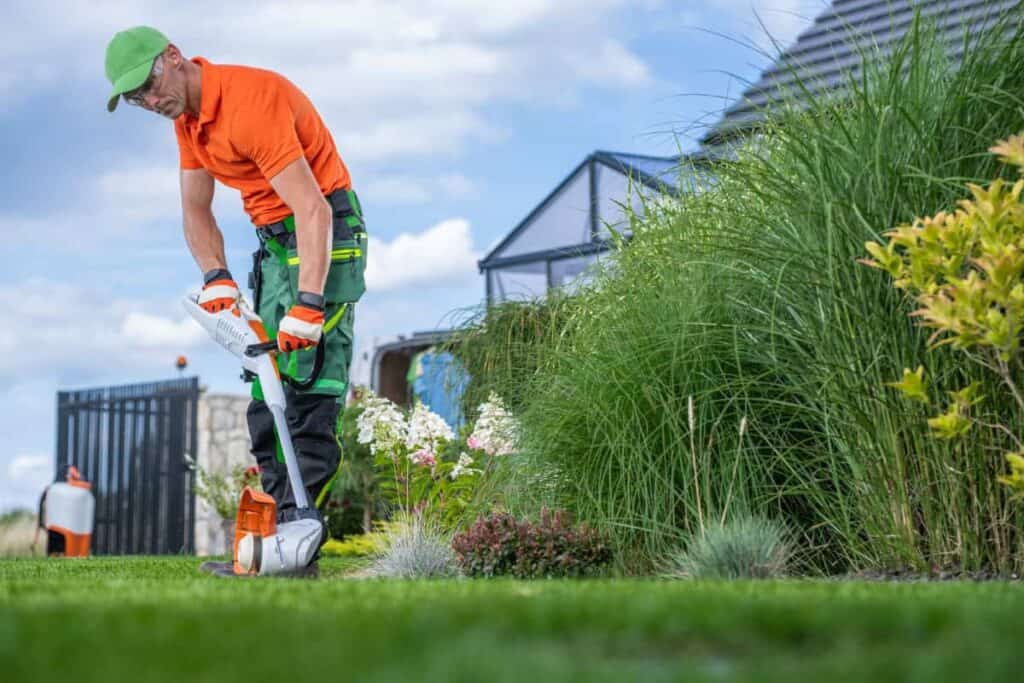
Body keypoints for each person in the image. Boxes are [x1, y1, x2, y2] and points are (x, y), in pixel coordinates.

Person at [104, 26, 367, 575]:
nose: (151, 102)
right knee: (266, 389)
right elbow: (195, 210)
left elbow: (314, 209)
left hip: (324, 232)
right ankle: (279, 546)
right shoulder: (189, 123)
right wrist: (217, 276)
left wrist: (311, 303)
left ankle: (299, 545)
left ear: (174, 57)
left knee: (309, 384)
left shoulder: (250, 102)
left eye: (150, 85)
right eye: (137, 99)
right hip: (274, 245)